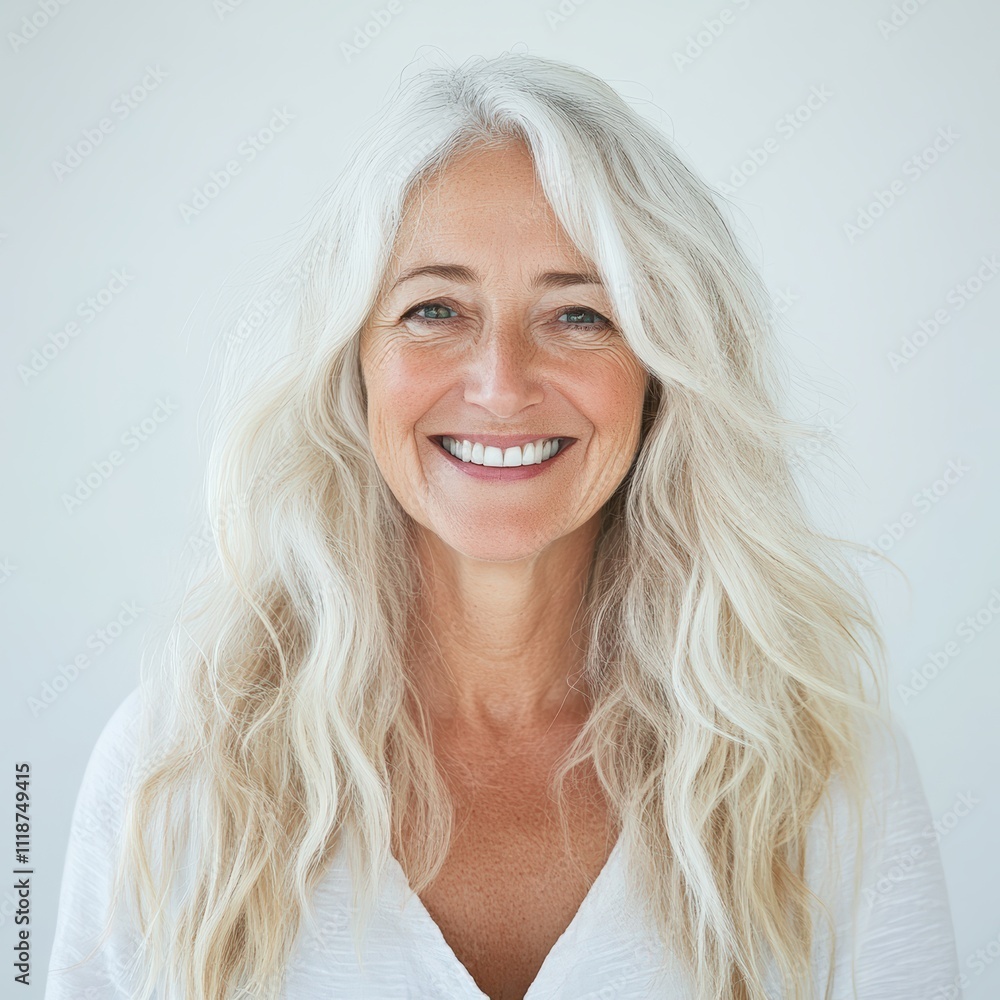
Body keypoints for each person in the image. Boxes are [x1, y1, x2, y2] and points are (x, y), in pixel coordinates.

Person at [45, 50, 960, 1000]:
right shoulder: (177, 769)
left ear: (662, 372)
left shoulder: (829, 782)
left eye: (579, 316)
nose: (500, 385)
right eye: (435, 309)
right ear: (353, 365)